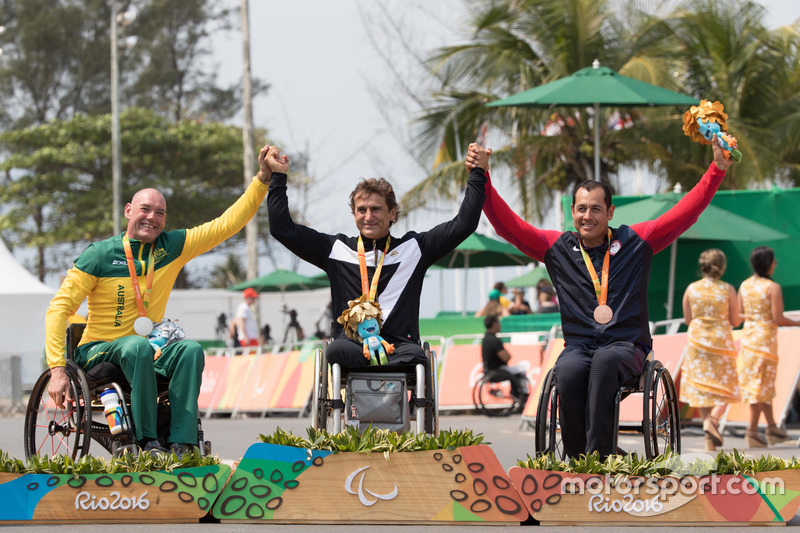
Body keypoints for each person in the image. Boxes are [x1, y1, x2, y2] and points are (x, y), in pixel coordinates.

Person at [472, 136, 734, 458]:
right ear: (572, 211)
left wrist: (716, 170)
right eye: (581, 209)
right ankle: (578, 458)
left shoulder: (637, 241)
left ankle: (601, 457)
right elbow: (506, 225)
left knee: (604, 363)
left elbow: (685, 214)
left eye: (596, 209)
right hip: (579, 347)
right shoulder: (556, 248)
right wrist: (482, 176)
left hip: (627, 347)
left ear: (610, 211)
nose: (588, 216)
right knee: (566, 372)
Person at [45, 144, 278, 457]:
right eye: (144, 209)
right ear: (128, 211)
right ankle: (145, 442)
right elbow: (59, 309)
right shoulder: (99, 255)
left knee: (190, 350)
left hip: (146, 353)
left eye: (159, 213)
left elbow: (226, 224)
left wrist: (262, 178)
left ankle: (182, 444)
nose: (151, 217)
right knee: (137, 346)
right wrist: (57, 369)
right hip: (99, 350)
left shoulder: (173, 247)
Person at [268, 143, 487, 372]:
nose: (368, 216)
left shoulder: (415, 249)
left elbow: (464, 223)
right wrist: (278, 177)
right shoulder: (335, 249)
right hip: (353, 345)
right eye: (361, 210)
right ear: (354, 214)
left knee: (416, 356)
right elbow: (281, 229)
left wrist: (477, 174)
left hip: (399, 346)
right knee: (335, 351)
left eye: (376, 209)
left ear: (392, 213)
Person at [738, 246, 800, 447]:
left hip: (749, 340)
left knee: (760, 385)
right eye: (774, 260)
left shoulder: (745, 285)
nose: (776, 264)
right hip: (765, 341)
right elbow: (779, 318)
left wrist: (755, 318)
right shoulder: (773, 288)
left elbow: (739, 315)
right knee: (761, 386)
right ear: (767, 263)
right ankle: (752, 430)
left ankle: (772, 427)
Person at [679, 249, 740, 451]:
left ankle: (708, 437)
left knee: (702, 387)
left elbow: (688, 320)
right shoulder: (728, 289)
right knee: (726, 386)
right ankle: (712, 420)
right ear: (721, 266)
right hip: (720, 342)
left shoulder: (691, 289)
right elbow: (735, 321)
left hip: (697, 341)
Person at [481, 315, 529, 410]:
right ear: (494, 324)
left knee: (515, 371)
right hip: (498, 370)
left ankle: (517, 393)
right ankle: (520, 394)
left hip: (489, 370)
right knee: (521, 370)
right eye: (498, 322)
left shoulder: (486, 339)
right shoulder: (494, 340)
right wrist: (508, 355)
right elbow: (506, 357)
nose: (500, 325)